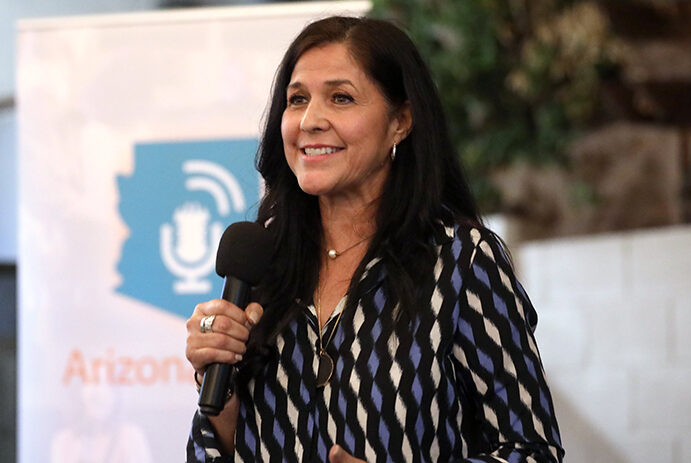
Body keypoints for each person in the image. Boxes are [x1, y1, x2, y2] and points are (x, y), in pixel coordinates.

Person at [185, 16, 564, 463]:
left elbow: (532, 451)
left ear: (401, 120)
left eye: (341, 98)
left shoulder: (462, 261)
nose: (310, 120)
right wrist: (219, 391)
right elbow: (229, 449)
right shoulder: (263, 259)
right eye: (297, 99)